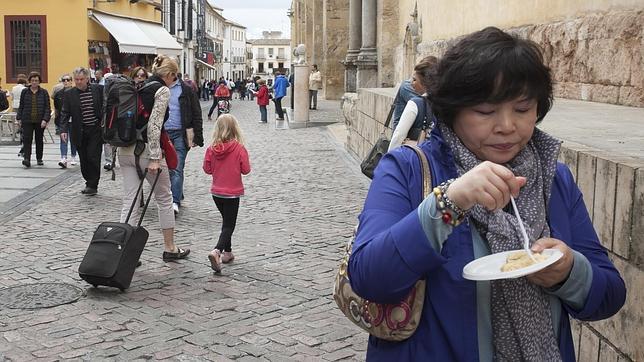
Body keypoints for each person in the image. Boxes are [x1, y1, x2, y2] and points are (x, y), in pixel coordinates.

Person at [349, 27, 626, 361]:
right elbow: (369, 277)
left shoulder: (554, 178)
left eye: (523, 109)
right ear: (452, 110)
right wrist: (449, 202)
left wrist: (569, 272)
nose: (507, 126)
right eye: (485, 111)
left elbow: (609, 294)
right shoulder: (406, 169)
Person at [118, 55, 190, 262]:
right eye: (173, 77)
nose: (173, 81)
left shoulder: (138, 86)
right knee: (165, 198)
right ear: (168, 74)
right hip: (146, 153)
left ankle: (123, 252)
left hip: (126, 151)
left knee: (130, 199)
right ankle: (170, 247)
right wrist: (156, 157)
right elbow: (155, 125)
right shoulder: (162, 90)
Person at [202, 114, 250, 272]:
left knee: (225, 222)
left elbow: (207, 169)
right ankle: (217, 251)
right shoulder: (239, 148)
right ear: (235, 129)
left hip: (216, 193)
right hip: (232, 193)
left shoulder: (211, 149)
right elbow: (246, 169)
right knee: (229, 225)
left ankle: (227, 253)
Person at [164, 68, 204, 215]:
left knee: (177, 168)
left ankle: (174, 202)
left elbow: (196, 112)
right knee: (167, 169)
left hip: (180, 133)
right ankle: (177, 192)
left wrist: (197, 136)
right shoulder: (158, 87)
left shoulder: (186, 90)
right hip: (163, 134)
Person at [59, 67, 104, 195]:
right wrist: (63, 129)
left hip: (95, 129)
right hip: (79, 130)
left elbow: (106, 106)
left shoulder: (98, 90)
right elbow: (65, 112)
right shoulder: (69, 94)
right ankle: (88, 181)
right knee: (84, 158)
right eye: (76, 79)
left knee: (93, 157)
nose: (78, 82)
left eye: (81, 79)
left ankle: (93, 185)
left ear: (87, 79)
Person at [388, 56, 439, 151]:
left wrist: (389, 159)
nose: (411, 83)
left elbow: (398, 135)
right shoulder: (447, 104)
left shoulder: (415, 103)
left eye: (415, 80)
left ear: (424, 83)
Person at [16, 72, 51, 168]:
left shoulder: (44, 92)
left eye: (36, 80)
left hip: (40, 120)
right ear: (29, 81)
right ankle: (27, 158)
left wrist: (45, 119)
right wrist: (19, 118)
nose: (34, 82)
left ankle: (39, 158)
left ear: (39, 81)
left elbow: (47, 107)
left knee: (39, 140)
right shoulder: (25, 92)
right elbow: (21, 106)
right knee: (27, 139)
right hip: (27, 119)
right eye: (32, 80)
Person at [52, 74, 77, 168]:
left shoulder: (76, 92)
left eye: (68, 80)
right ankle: (63, 158)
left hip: (74, 120)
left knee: (73, 140)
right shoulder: (58, 94)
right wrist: (57, 120)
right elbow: (57, 108)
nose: (66, 82)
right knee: (63, 139)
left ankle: (73, 156)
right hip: (63, 120)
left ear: (71, 81)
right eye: (64, 80)